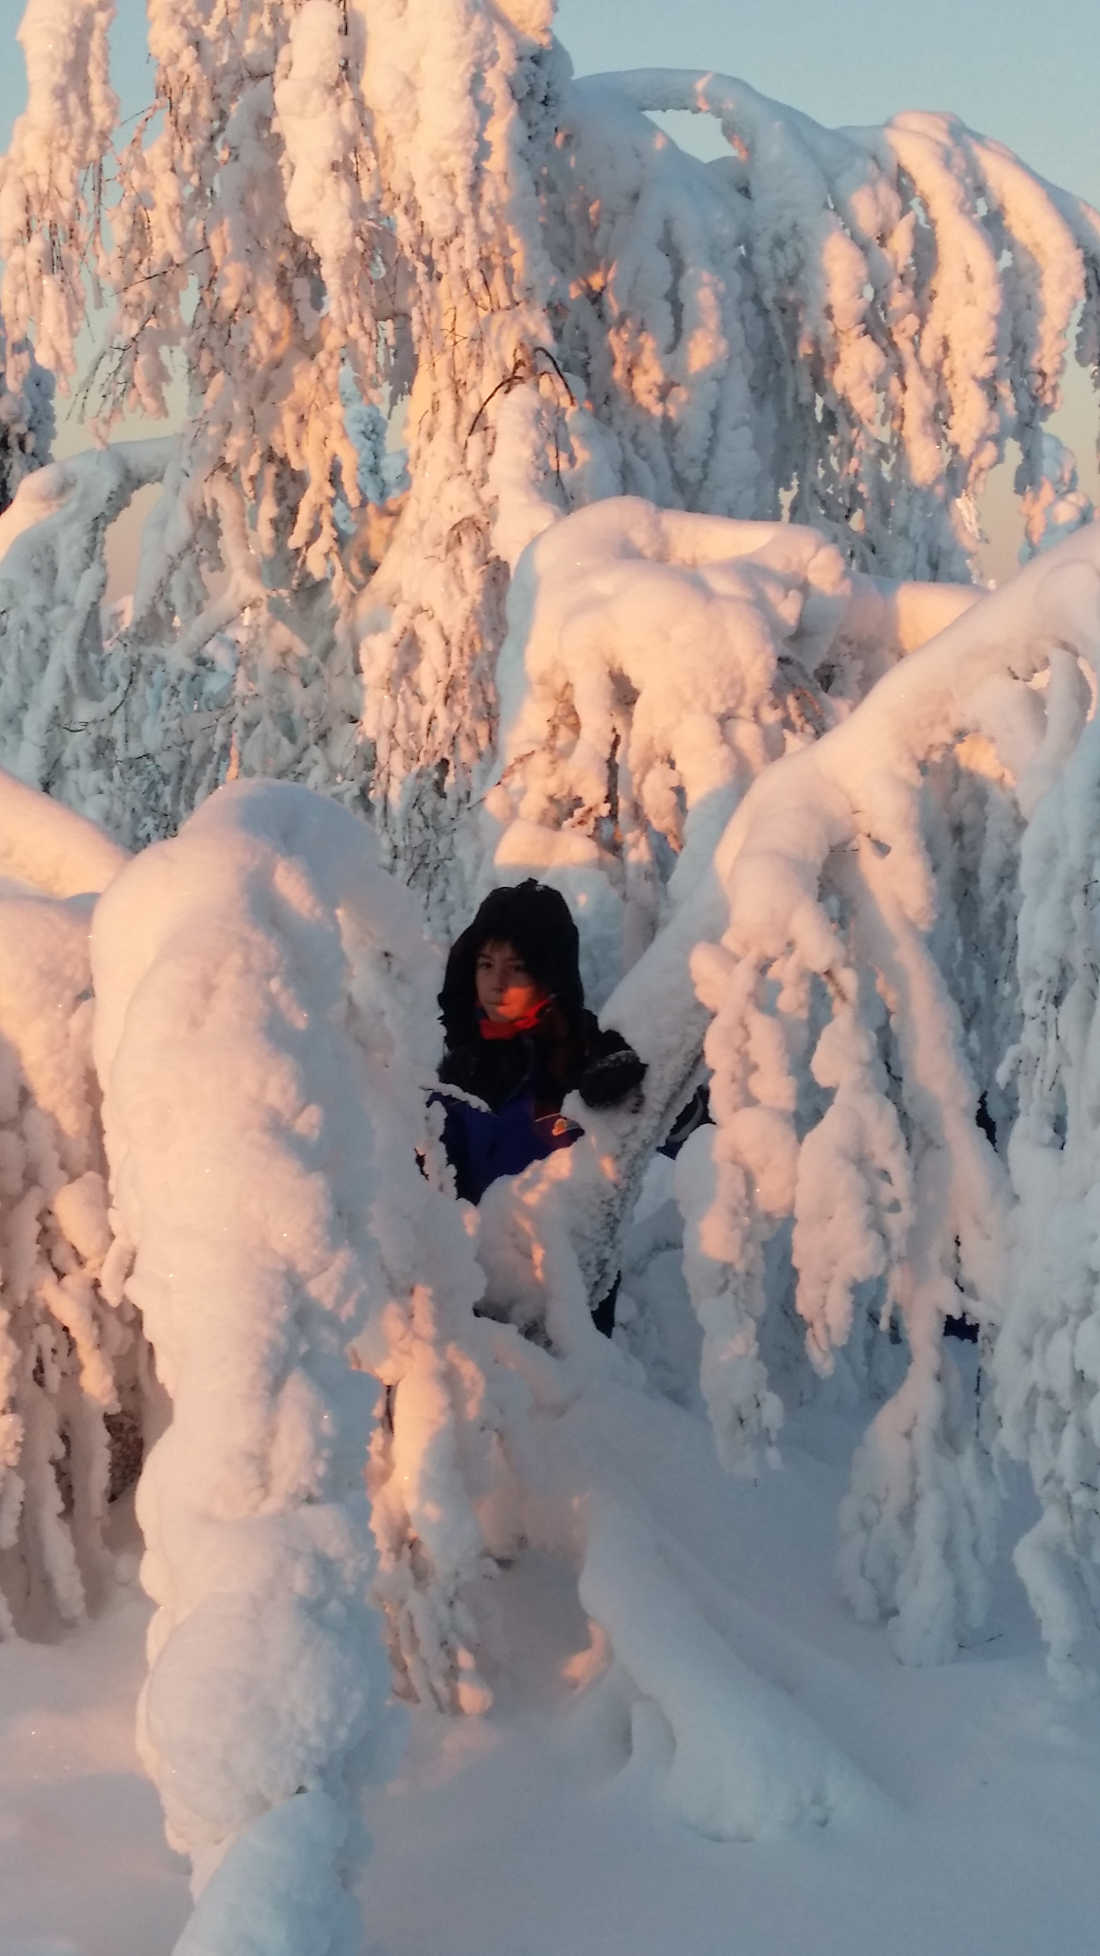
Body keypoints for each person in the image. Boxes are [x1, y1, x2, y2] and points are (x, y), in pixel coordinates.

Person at [434, 880, 646, 1333]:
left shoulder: (587, 1054)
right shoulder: (456, 1065)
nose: (497, 982)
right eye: (486, 964)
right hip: (470, 1310)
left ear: (549, 974)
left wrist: (630, 1089)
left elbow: (677, 1131)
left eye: (518, 968)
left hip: (569, 1310)